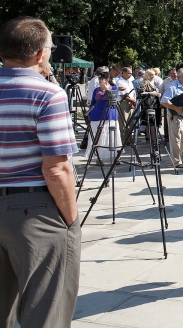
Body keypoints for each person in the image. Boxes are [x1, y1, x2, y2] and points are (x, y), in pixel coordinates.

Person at [0, 16, 80, 327]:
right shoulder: (47, 94)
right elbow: (57, 169)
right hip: (34, 210)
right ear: (39, 54)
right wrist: (71, 222)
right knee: (45, 312)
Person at [85, 72, 122, 162]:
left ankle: (115, 156)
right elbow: (92, 102)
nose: (100, 80)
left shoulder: (114, 88)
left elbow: (114, 100)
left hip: (110, 115)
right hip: (97, 115)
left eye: (102, 78)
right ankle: (98, 157)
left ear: (107, 79)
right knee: (98, 136)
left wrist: (107, 90)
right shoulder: (96, 90)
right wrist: (89, 115)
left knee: (112, 136)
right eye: (99, 78)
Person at [161, 68, 183, 167]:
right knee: (175, 139)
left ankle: (179, 159)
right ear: (182, 77)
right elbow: (164, 101)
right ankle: (176, 161)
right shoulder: (172, 87)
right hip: (175, 116)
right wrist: (176, 108)